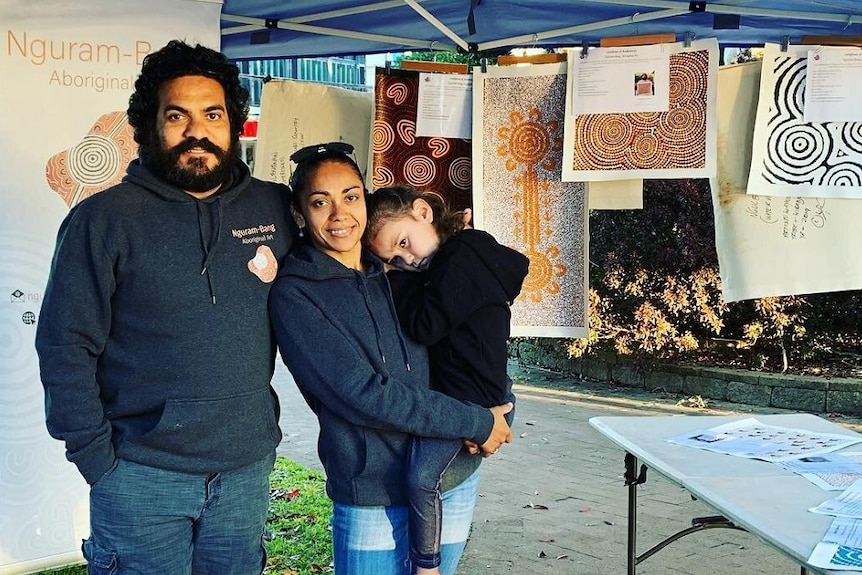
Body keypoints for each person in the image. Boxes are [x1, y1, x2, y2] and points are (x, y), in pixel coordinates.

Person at [35, 40, 295, 574]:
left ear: (233, 123)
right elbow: (65, 344)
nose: (196, 131)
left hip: (245, 471)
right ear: (149, 125)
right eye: (177, 115)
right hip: (139, 475)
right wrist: (96, 458)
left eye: (212, 114)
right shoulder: (103, 220)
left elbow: (343, 269)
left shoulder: (274, 206)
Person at [267, 142, 513, 575]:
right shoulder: (297, 294)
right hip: (373, 491)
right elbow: (363, 394)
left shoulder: (398, 271)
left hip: (452, 474)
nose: (340, 214)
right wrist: (477, 421)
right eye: (320, 202)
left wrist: (500, 404)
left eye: (351, 196)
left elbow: (473, 337)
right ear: (300, 214)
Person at [364, 185, 529, 575]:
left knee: (421, 477)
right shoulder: (457, 263)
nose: (407, 259)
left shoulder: (462, 257)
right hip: (476, 397)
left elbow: (424, 325)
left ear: (423, 211)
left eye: (403, 243)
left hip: (470, 403)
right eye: (395, 259)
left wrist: (391, 279)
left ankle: (427, 568)